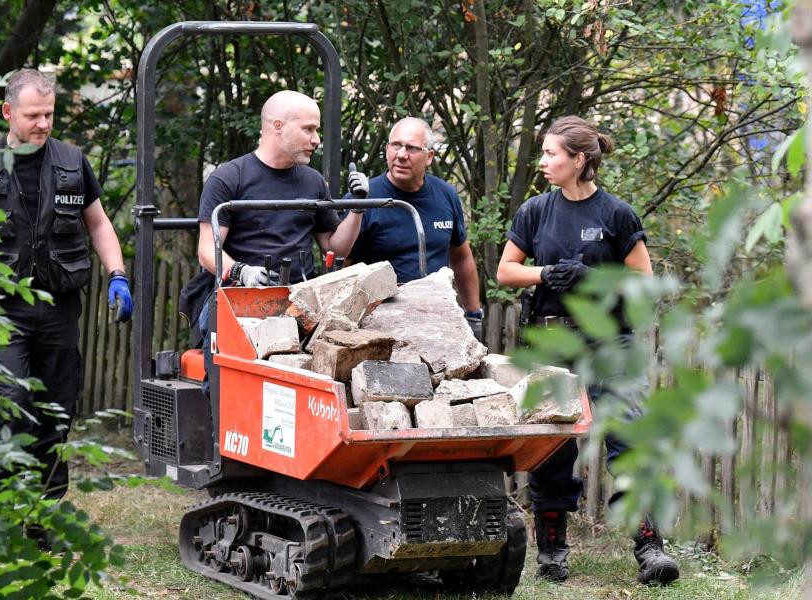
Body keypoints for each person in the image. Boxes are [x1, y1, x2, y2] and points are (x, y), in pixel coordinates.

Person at [495, 116, 680, 586]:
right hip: (552, 340)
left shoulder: (616, 214)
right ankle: (552, 552)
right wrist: (547, 274)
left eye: (551, 154)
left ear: (579, 160)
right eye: (542, 154)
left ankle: (650, 548)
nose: (543, 162)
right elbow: (505, 271)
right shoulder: (536, 211)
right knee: (553, 446)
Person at [0, 69, 133, 503]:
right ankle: (9, 501)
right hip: (1, 308)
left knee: (57, 412)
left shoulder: (70, 160)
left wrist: (118, 275)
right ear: (9, 113)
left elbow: (98, 223)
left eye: (48, 114)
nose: (43, 124)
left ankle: (45, 509)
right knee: (13, 402)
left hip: (58, 308)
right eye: (33, 115)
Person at [191, 90, 366, 389]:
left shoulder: (312, 182)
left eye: (317, 130)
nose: (316, 140)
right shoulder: (229, 178)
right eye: (308, 129)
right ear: (277, 126)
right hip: (239, 301)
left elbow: (335, 248)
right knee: (230, 390)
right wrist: (241, 271)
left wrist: (358, 209)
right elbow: (207, 249)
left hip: (299, 300)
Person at [346, 117, 483, 340]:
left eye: (411, 148)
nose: (401, 155)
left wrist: (473, 314)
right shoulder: (364, 199)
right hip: (378, 323)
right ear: (386, 149)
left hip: (437, 319)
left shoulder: (446, 195)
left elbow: (461, 257)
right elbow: (345, 266)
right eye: (396, 145)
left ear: (429, 157)